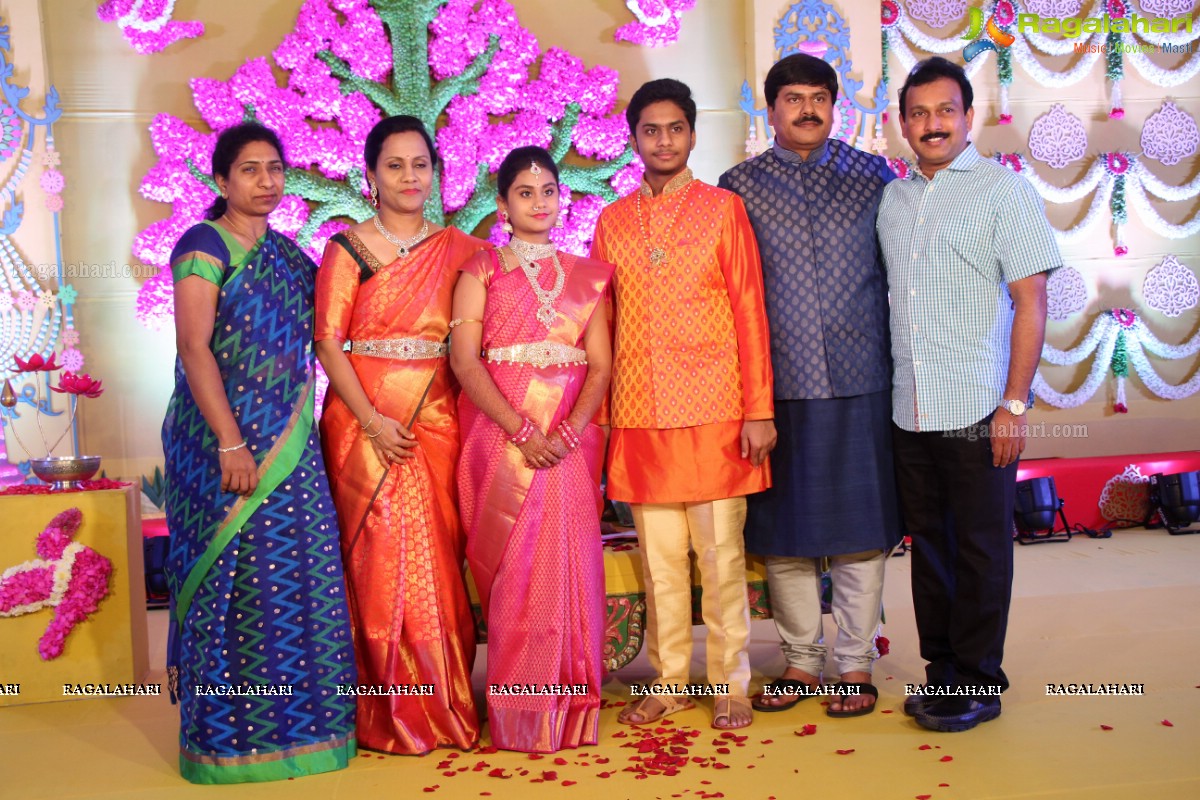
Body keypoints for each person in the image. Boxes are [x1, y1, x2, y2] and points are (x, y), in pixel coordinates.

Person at [162, 122, 356, 783]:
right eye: (250, 170)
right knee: (232, 581)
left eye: (274, 168)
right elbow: (195, 348)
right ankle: (225, 742)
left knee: (299, 579)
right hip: (220, 442)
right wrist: (231, 443)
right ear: (221, 180)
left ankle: (305, 732)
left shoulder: (288, 255)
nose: (266, 181)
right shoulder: (202, 245)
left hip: (290, 443)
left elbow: (331, 329)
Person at [718, 54, 902, 718]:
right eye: (793, 99)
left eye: (819, 97)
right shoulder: (737, 187)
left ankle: (854, 663)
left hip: (862, 379)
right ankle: (800, 659)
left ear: (835, 104)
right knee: (783, 535)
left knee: (860, 531)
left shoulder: (873, 177)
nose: (807, 109)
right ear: (770, 111)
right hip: (778, 386)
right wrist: (744, 397)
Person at [591, 79, 776, 731]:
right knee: (661, 562)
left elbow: (750, 311)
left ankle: (731, 683)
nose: (663, 140)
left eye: (675, 128)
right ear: (634, 138)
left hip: (717, 412)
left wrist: (759, 410)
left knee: (722, 561)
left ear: (692, 134)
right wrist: (604, 421)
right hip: (639, 415)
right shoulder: (611, 222)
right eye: (650, 129)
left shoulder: (724, 210)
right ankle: (669, 679)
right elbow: (601, 324)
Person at [878, 56, 1056, 732]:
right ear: (903, 122)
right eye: (918, 113)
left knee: (980, 546)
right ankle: (944, 673)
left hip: (979, 405)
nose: (932, 124)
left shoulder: (1002, 192)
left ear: (967, 116)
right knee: (930, 545)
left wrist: (1015, 403)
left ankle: (980, 680)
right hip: (909, 404)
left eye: (944, 110)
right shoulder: (893, 199)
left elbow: (1031, 300)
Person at [314, 115, 484, 755]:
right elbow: (329, 342)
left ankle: (445, 703)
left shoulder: (462, 249)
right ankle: (384, 713)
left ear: (434, 171)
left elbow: (478, 343)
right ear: (370, 175)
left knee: (438, 556)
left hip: (438, 415)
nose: (410, 176)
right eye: (395, 165)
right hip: (363, 419)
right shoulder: (346, 249)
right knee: (379, 560)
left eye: (420, 164)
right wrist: (371, 420)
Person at [450, 145, 612, 752]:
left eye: (548, 190)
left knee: (571, 564)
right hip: (500, 437)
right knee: (516, 568)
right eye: (525, 192)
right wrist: (521, 430)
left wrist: (570, 429)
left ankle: (572, 709)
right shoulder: (481, 269)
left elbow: (601, 365)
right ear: (502, 203)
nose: (539, 202)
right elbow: (465, 363)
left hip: (570, 443)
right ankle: (520, 712)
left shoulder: (589, 275)